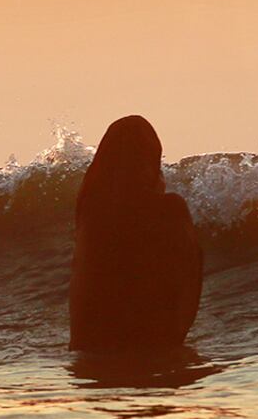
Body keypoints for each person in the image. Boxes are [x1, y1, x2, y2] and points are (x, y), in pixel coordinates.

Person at [69, 115, 203, 352]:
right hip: (147, 350)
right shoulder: (169, 210)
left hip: (90, 356)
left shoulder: (91, 213)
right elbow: (186, 287)